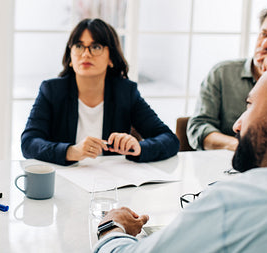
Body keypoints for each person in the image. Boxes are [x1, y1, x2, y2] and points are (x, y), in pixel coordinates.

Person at [93, 66, 267, 253]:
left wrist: (110, 228)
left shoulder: (234, 203)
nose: (237, 125)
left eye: (250, 105)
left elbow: (169, 139)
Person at [21, 18, 179, 166]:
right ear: (70, 57)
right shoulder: (52, 91)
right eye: (79, 46)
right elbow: (29, 143)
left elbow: (169, 140)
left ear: (111, 58)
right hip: (63, 181)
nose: (86, 54)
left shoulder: (125, 92)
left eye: (95, 47)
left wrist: (139, 147)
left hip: (111, 185)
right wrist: (71, 151)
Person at [187, 5, 267, 150]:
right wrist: (237, 146)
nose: (265, 44)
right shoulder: (222, 73)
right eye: (263, 34)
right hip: (224, 163)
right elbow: (198, 127)